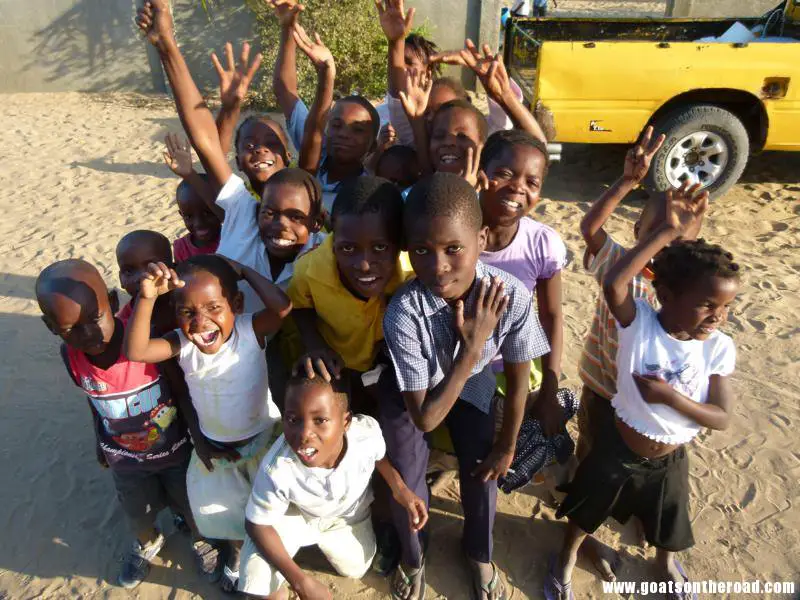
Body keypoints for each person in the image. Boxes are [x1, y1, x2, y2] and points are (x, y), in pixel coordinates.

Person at [547, 184, 736, 600]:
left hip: (656, 427)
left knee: (664, 498)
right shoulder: (630, 282)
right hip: (603, 391)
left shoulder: (691, 300)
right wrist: (659, 223)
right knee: (592, 469)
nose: (666, 243)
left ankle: (663, 556)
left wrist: (672, 399)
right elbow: (594, 236)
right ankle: (583, 541)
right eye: (658, 231)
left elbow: (718, 410)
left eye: (679, 236)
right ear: (640, 231)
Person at [381, 173, 551, 600]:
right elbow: (424, 416)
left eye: (453, 248)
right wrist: (472, 349)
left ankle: (479, 552)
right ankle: (413, 554)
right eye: (421, 250)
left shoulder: (508, 294)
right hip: (412, 393)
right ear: (407, 249)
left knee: (484, 463)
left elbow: (515, 385)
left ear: (482, 238)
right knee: (405, 464)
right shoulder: (405, 311)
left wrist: (507, 446)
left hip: (472, 385)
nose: (437, 266)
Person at [136, 1, 324, 310]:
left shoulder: (319, 247)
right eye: (269, 212)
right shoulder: (241, 211)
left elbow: (314, 130)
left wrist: (295, 37)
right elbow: (205, 140)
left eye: (296, 216)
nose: (280, 224)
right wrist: (166, 44)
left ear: (316, 221)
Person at [35, 259, 209, 589]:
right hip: (124, 460)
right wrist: (98, 438)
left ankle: (201, 540)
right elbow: (94, 400)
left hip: (175, 452)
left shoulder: (144, 343)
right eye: (70, 329)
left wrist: (198, 439)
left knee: (189, 505)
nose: (87, 334)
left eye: (94, 318)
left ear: (113, 303)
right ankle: (149, 542)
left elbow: (180, 391)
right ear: (51, 326)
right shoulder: (69, 356)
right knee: (137, 513)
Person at [123, 254, 292, 592]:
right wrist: (147, 297)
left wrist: (242, 270)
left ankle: (266, 558)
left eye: (214, 308)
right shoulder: (182, 344)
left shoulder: (249, 329)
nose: (201, 323)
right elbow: (136, 351)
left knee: (264, 509)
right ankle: (236, 553)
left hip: (262, 439)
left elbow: (283, 308)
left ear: (237, 304)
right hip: (215, 447)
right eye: (187, 312)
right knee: (228, 511)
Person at [239, 366, 427, 599]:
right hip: (298, 515)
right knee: (257, 577)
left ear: (345, 422)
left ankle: (313, 550)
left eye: (320, 420)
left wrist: (401, 490)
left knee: (356, 567)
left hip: (348, 517)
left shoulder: (365, 433)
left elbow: (379, 458)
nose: (304, 433)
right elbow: (256, 524)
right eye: (293, 419)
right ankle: (282, 573)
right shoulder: (277, 468)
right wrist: (301, 582)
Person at [287, 176, 410, 415]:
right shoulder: (310, 270)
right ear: (333, 240)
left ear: (399, 242)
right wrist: (315, 345)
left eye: (380, 248)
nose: (364, 265)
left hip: (388, 366)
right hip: (337, 365)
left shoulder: (410, 272)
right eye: (348, 248)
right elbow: (300, 306)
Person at [478, 128, 565, 437]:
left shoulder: (541, 243)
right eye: (504, 173)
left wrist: (550, 391)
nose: (517, 188)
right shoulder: (454, 231)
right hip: (456, 366)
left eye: (532, 182)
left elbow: (551, 316)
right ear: (480, 173)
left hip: (512, 369)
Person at [271, 1, 380, 213]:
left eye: (357, 130)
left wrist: (327, 76)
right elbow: (285, 92)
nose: (343, 134)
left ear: (372, 146)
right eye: (336, 125)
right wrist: (287, 28)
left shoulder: (368, 190)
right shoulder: (317, 153)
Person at [162, 132, 222, 262]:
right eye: (189, 216)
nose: (199, 223)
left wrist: (189, 173)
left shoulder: (231, 238)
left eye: (207, 213)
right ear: (181, 215)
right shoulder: (181, 248)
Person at [115, 230, 175, 329]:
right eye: (129, 271)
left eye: (151, 268)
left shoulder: (192, 297)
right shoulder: (126, 323)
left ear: (172, 268)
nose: (141, 278)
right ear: (120, 279)